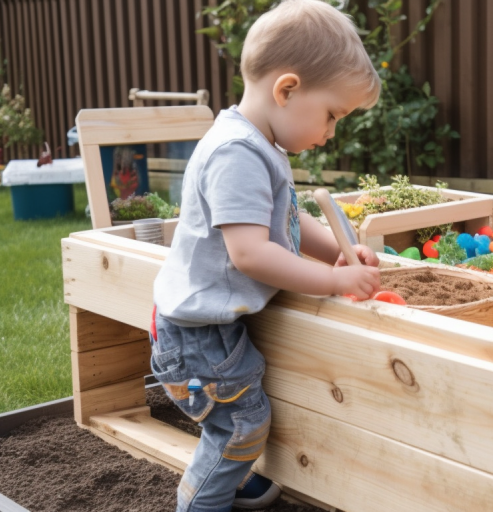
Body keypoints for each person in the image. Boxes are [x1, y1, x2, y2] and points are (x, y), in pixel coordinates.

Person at [149, 1, 382, 510]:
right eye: (331, 115)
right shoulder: (237, 154)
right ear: (287, 89)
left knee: (237, 416)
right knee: (241, 421)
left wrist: (337, 251)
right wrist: (334, 282)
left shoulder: (261, 144)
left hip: (208, 329)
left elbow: (287, 225)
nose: (330, 133)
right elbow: (252, 253)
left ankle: (230, 469)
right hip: (197, 337)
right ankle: (206, 496)